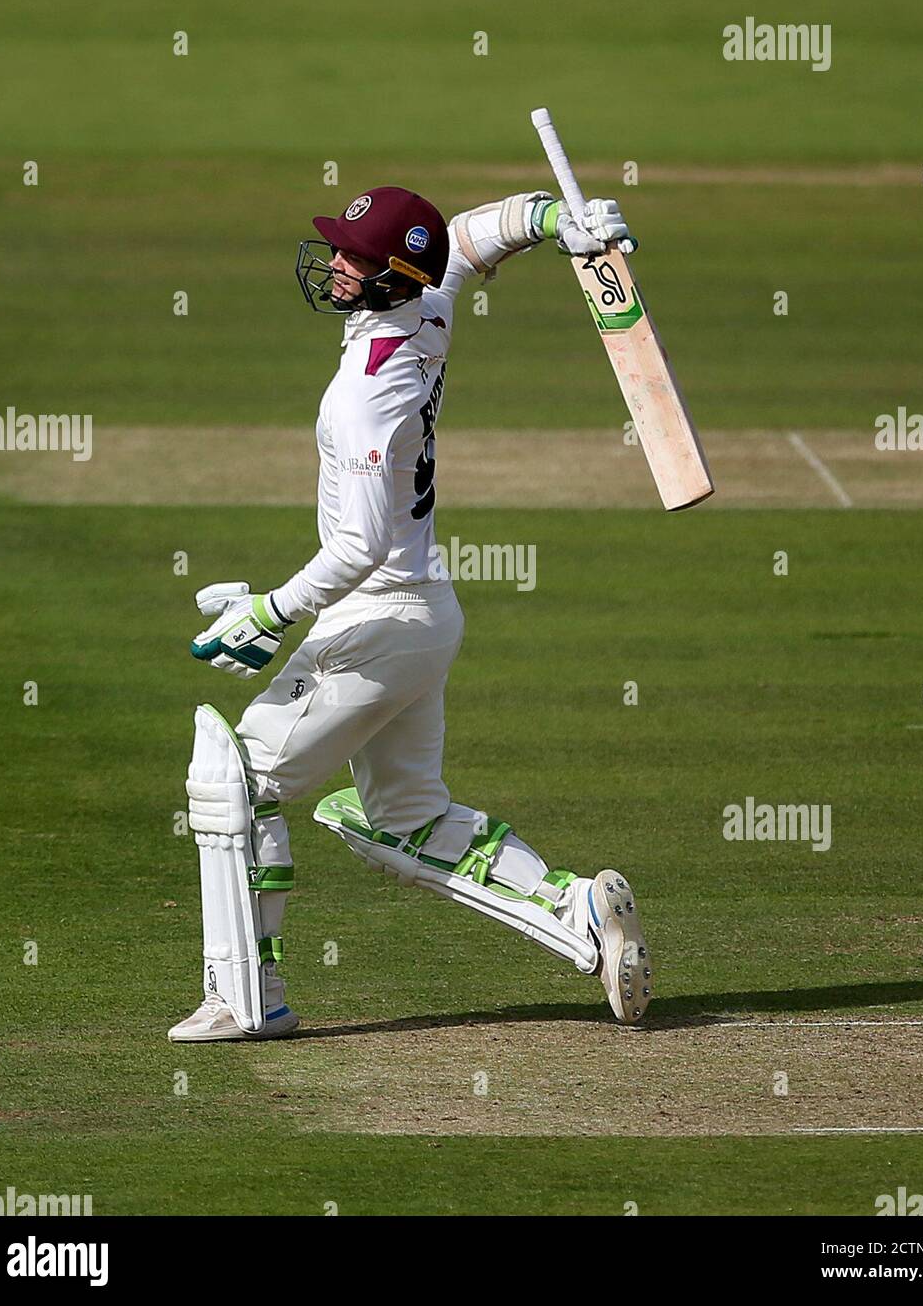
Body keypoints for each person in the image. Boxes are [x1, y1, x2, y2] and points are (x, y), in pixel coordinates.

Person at [169, 183, 651, 1042]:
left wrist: (270, 610)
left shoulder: (369, 391)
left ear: (394, 275)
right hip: (420, 615)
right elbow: (465, 238)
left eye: (355, 257)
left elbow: (358, 543)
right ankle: (576, 909)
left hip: (378, 621)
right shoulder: (426, 308)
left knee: (241, 785)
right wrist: (553, 221)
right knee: (405, 820)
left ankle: (249, 997)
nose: (336, 266)